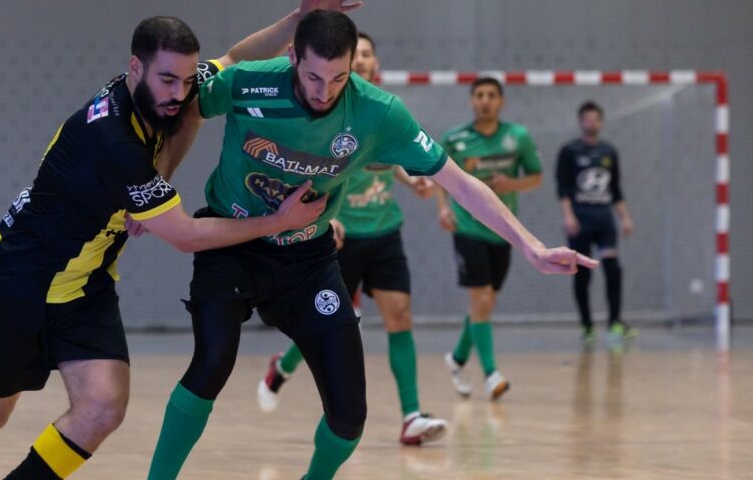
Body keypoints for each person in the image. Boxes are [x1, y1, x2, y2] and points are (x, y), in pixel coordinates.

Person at [100, 11, 596, 480]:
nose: (325, 92)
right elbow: (179, 104)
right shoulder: (249, 83)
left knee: (349, 412)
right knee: (211, 362)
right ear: (294, 59)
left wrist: (530, 246)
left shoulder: (378, 112)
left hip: (309, 258)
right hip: (231, 244)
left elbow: (460, 181)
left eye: (338, 80)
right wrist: (155, 182)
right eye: (314, 79)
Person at [0, 0, 361, 480]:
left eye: (185, 81)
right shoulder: (110, 139)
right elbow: (184, 235)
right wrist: (279, 222)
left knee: (102, 407)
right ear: (134, 69)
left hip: (86, 280)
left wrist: (297, 19)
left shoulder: (166, 95)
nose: (181, 95)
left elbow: (234, 58)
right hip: (18, 280)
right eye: (168, 82)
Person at [255, 31, 447, 447]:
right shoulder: (326, 109)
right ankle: (283, 366)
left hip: (385, 230)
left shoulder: (384, 111)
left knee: (400, 316)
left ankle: (411, 414)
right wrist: (328, 216)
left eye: (366, 55)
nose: (360, 61)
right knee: (334, 324)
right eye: (354, 54)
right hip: (341, 234)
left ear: (374, 64)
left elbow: (390, 159)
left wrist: (412, 181)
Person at [436, 77, 543, 401]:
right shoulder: (455, 138)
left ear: (501, 102)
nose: (485, 101)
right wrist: (443, 209)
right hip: (468, 228)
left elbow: (535, 177)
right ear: (472, 101)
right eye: (479, 95)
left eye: (491, 95)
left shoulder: (517, 137)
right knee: (481, 300)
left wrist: (510, 185)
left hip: (503, 230)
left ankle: (455, 359)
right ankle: (491, 373)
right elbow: (439, 174)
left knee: (485, 304)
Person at [557, 101, 636, 344]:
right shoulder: (569, 151)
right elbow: (563, 189)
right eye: (587, 118)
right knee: (582, 273)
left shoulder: (608, 152)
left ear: (601, 122)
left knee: (612, 269)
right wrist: (568, 216)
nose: (591, 123)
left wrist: (625, 217)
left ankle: (614, 322)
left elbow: (615, 190)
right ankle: (587, 325)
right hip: (581, 220)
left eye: (595, 118)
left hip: (604, 220)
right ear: (581, 122)